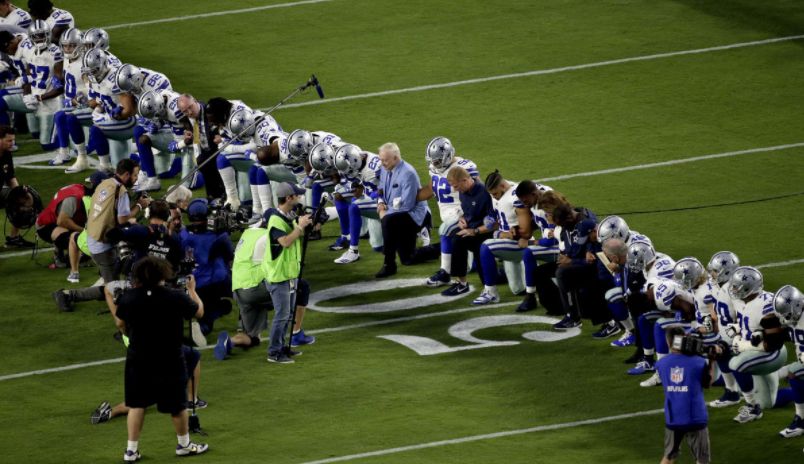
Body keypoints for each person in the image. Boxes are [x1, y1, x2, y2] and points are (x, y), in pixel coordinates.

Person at [112, 256, 208, 461]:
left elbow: (120, 322)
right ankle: (184, 445)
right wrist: (192, 290)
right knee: (177, 405)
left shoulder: (129, 297)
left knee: (137, 404)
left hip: (138, 358)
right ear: (163, 273)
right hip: (169, 358)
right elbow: (199, 312)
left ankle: (131, 450)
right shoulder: (174, 296)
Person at [214, 209, 315, 360]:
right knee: (300, 287)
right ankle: (296, 334)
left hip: (239, 289)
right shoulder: (267, 236)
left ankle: (230, 342)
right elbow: (281, 253)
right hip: (256, 287)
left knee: (253, 338)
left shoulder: (247, 233)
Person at [52, 159, 147, 311]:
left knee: (117, 276)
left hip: (93, 237)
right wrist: (141, 205)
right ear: (127, 174)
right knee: (114, 290)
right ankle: (67, 294)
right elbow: (123, 219)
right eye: (135, 175)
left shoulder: (106, 183)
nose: (136, 179)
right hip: (103, 245)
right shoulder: (120, 191)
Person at [725, 266, 790, 423]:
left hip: (772, 353)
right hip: (754, 351)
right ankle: (784, 373)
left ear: (749, 287)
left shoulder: (767, 306)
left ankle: (753, 408)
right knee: (768, 402)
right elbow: (747, 324)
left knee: (735, 364)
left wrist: (744, 345)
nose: (733, 289)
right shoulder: (742, 300)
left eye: (736, 286)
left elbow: (773, 344)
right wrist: (737, 331)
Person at [418, 136, 479, 287]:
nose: (434, 163)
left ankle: (445, 273)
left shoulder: (464, 167)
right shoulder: (434, 169)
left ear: (447, 156)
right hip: (449, 216)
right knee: (470, 265)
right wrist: (409, 199)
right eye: (432, 160)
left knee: (445, 231)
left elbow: (479, 192)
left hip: (463, 215)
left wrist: (469, 214)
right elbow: (432, 189)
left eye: (437, 160)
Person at [262, 182, 312, 363]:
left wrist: (303, 225)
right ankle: (274, 352)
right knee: (282, 315)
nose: (299, 197)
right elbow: (284, 242)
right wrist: (299, 227)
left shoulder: (286, 216)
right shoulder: (276, 220)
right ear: (289, 197)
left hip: (288, 274)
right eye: (297, 195)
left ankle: (282, 347)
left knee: (288, 314)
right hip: (278, 276)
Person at [655, 326, 714, 464]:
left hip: (673, 417)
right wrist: (712, 361)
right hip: (695, 417)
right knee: (702, 460)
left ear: (668, 342)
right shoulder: (698, 362)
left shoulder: (661, 364)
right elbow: (708, 383)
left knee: (669, 456)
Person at [179, 198, 234, 337]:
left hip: (189, 283)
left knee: (212, 310)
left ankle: (214, 311)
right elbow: (230, 255)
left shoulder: (182, 234)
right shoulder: (217, 236)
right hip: (213, 282)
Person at [375, 142, 429, 278]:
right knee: (408, 259)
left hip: (412, 214)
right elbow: (380, 188)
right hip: (396, 211)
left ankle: (389, 265)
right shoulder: (384, 168)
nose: (382, 163)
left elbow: (408, 205)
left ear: (395, 157)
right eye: (381, 160)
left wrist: (385, 213)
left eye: (385, 160)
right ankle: (440, 248)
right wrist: (380, 202)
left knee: (388, 221)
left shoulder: (408, 173)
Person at [439, 166, 493, 297]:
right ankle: (461, 283)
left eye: (456, 186)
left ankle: (463, 284)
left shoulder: (484, 193)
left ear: (465, 180)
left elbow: (494, 223)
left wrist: (474, 231)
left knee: (489, 279)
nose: (454, 189)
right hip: (472, 230)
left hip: (484, 233)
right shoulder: (463, 192)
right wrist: (462, 219)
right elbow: (467, 212)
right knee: (455, 238)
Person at [513, 180, 561, 313]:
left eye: (525, 200)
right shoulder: (538, 197)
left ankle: (530, 296)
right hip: (555, 241)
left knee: (529, 252)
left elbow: (552, 240)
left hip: (562, 247)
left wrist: (531, 243)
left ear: (534, 194)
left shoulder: (548, 206)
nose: (524, 204)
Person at [551, 202, 599, 330]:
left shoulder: (585, 224)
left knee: (562, 273)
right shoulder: (571, 223)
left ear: (568, 218)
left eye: (561, 224)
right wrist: (566, 257)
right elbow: (572, 248)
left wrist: (571, 261)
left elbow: (588, 255)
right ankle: (569, 312)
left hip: (594, 263)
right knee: (552, 270)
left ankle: (573, 317)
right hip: (581, 260)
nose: (562, 227)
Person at [177, 93, 224, 200]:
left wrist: (222, 137)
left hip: (220, 149)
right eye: (185, 111)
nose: (189, 112)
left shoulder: (210, 112)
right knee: (202, 162)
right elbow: (195, 132)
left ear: (195, 101)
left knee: (207, 163)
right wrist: (189, 136)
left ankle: (219, 195)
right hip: (205, 150)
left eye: (190, 107)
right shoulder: (188, 118)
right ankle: (213, 197)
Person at [772, 285, 804, 438]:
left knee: (793, 373)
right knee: (791, 375)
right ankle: (801, 420)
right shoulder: (795, 318)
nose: (785, 318)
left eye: (788, 313)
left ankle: (801, 420)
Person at [0, 125, 33, 247]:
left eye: (13, 140)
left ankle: (14, 238)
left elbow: (10, 177)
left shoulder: (7, 154)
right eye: (9, 140)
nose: (12, 143)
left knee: (24, 199)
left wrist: (20, 193)